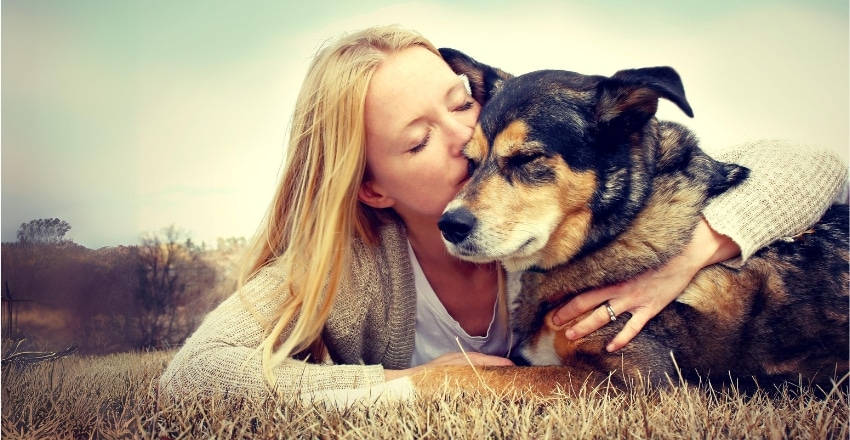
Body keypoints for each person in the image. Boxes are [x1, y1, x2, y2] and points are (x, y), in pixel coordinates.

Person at [158, 25, 847, 399]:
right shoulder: (354, 267)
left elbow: (812, 168)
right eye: (419, 139)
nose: (467, 138)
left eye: (460, 104)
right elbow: (195, 374)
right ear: (373, 187)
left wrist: (694, 255)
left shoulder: (563, 222)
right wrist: (410, 385)